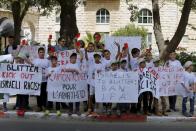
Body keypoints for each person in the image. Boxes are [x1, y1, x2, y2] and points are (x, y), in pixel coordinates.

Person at [32, 47, 50, 112]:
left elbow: (49, 70)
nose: (41, 53)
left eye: (43, 52)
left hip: (45, 80)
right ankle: (39, 106)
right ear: (38, 53)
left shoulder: (47, 61)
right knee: (38, 94)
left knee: (44, 94)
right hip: (37, 80)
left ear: (44, 53)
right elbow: (32, 68)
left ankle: (44, 106)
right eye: (40, 52)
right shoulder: (35, 60)